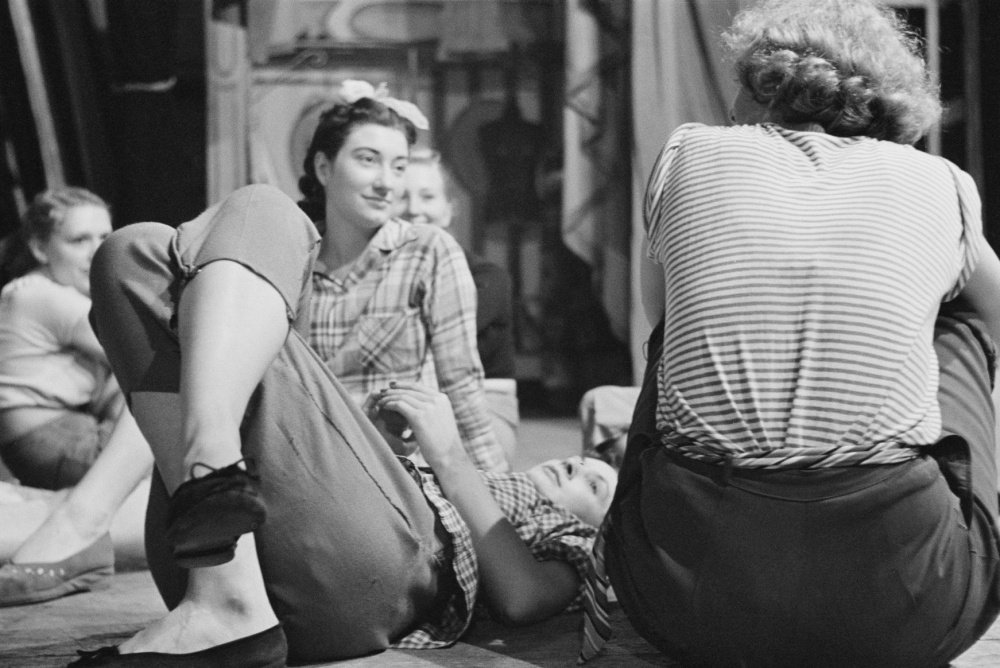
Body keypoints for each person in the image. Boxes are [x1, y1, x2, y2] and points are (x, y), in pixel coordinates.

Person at [585, 1, 1000, 666]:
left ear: (760, 85)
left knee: (670, 341)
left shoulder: (688, 152)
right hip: (909, 609)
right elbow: (998, 314)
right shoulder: (940, 181)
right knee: (962, 321)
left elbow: (662, 318)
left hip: (686, 601)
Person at [67, 182, 618, 666]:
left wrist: (448, 459)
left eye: (594, 483)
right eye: (583, 461)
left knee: (265, 207)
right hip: (225, 565)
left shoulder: (571, 542)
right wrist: (375, 444)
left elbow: (523, 599)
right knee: (127, 253)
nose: (577, 463)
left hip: (378, 574)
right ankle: (221, 583)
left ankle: (206, 461)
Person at [297, 81, 509, 473]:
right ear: (324, 168)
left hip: (402, 473)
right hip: (314, 467)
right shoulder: (294, 259)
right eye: (367, 160)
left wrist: (498, 500)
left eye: (398, 167)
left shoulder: (428, 251)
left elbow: (462, 389)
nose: (386, 182)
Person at [0, 188, 152, 607]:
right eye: (79, 240)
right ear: (38, 246)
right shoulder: (45, 296)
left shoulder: (30, 292)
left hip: (50, 439)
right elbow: (142, 354)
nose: (96, 252)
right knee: (164, 384)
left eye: (105, 238)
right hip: (55, 438)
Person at [402, 148, 520, 462]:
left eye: (427, 197)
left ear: (449, 208)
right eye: (402, 197)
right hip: (406, 402)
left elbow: (427, 339)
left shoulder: (488, 278)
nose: (414, 209)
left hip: (483, 405)